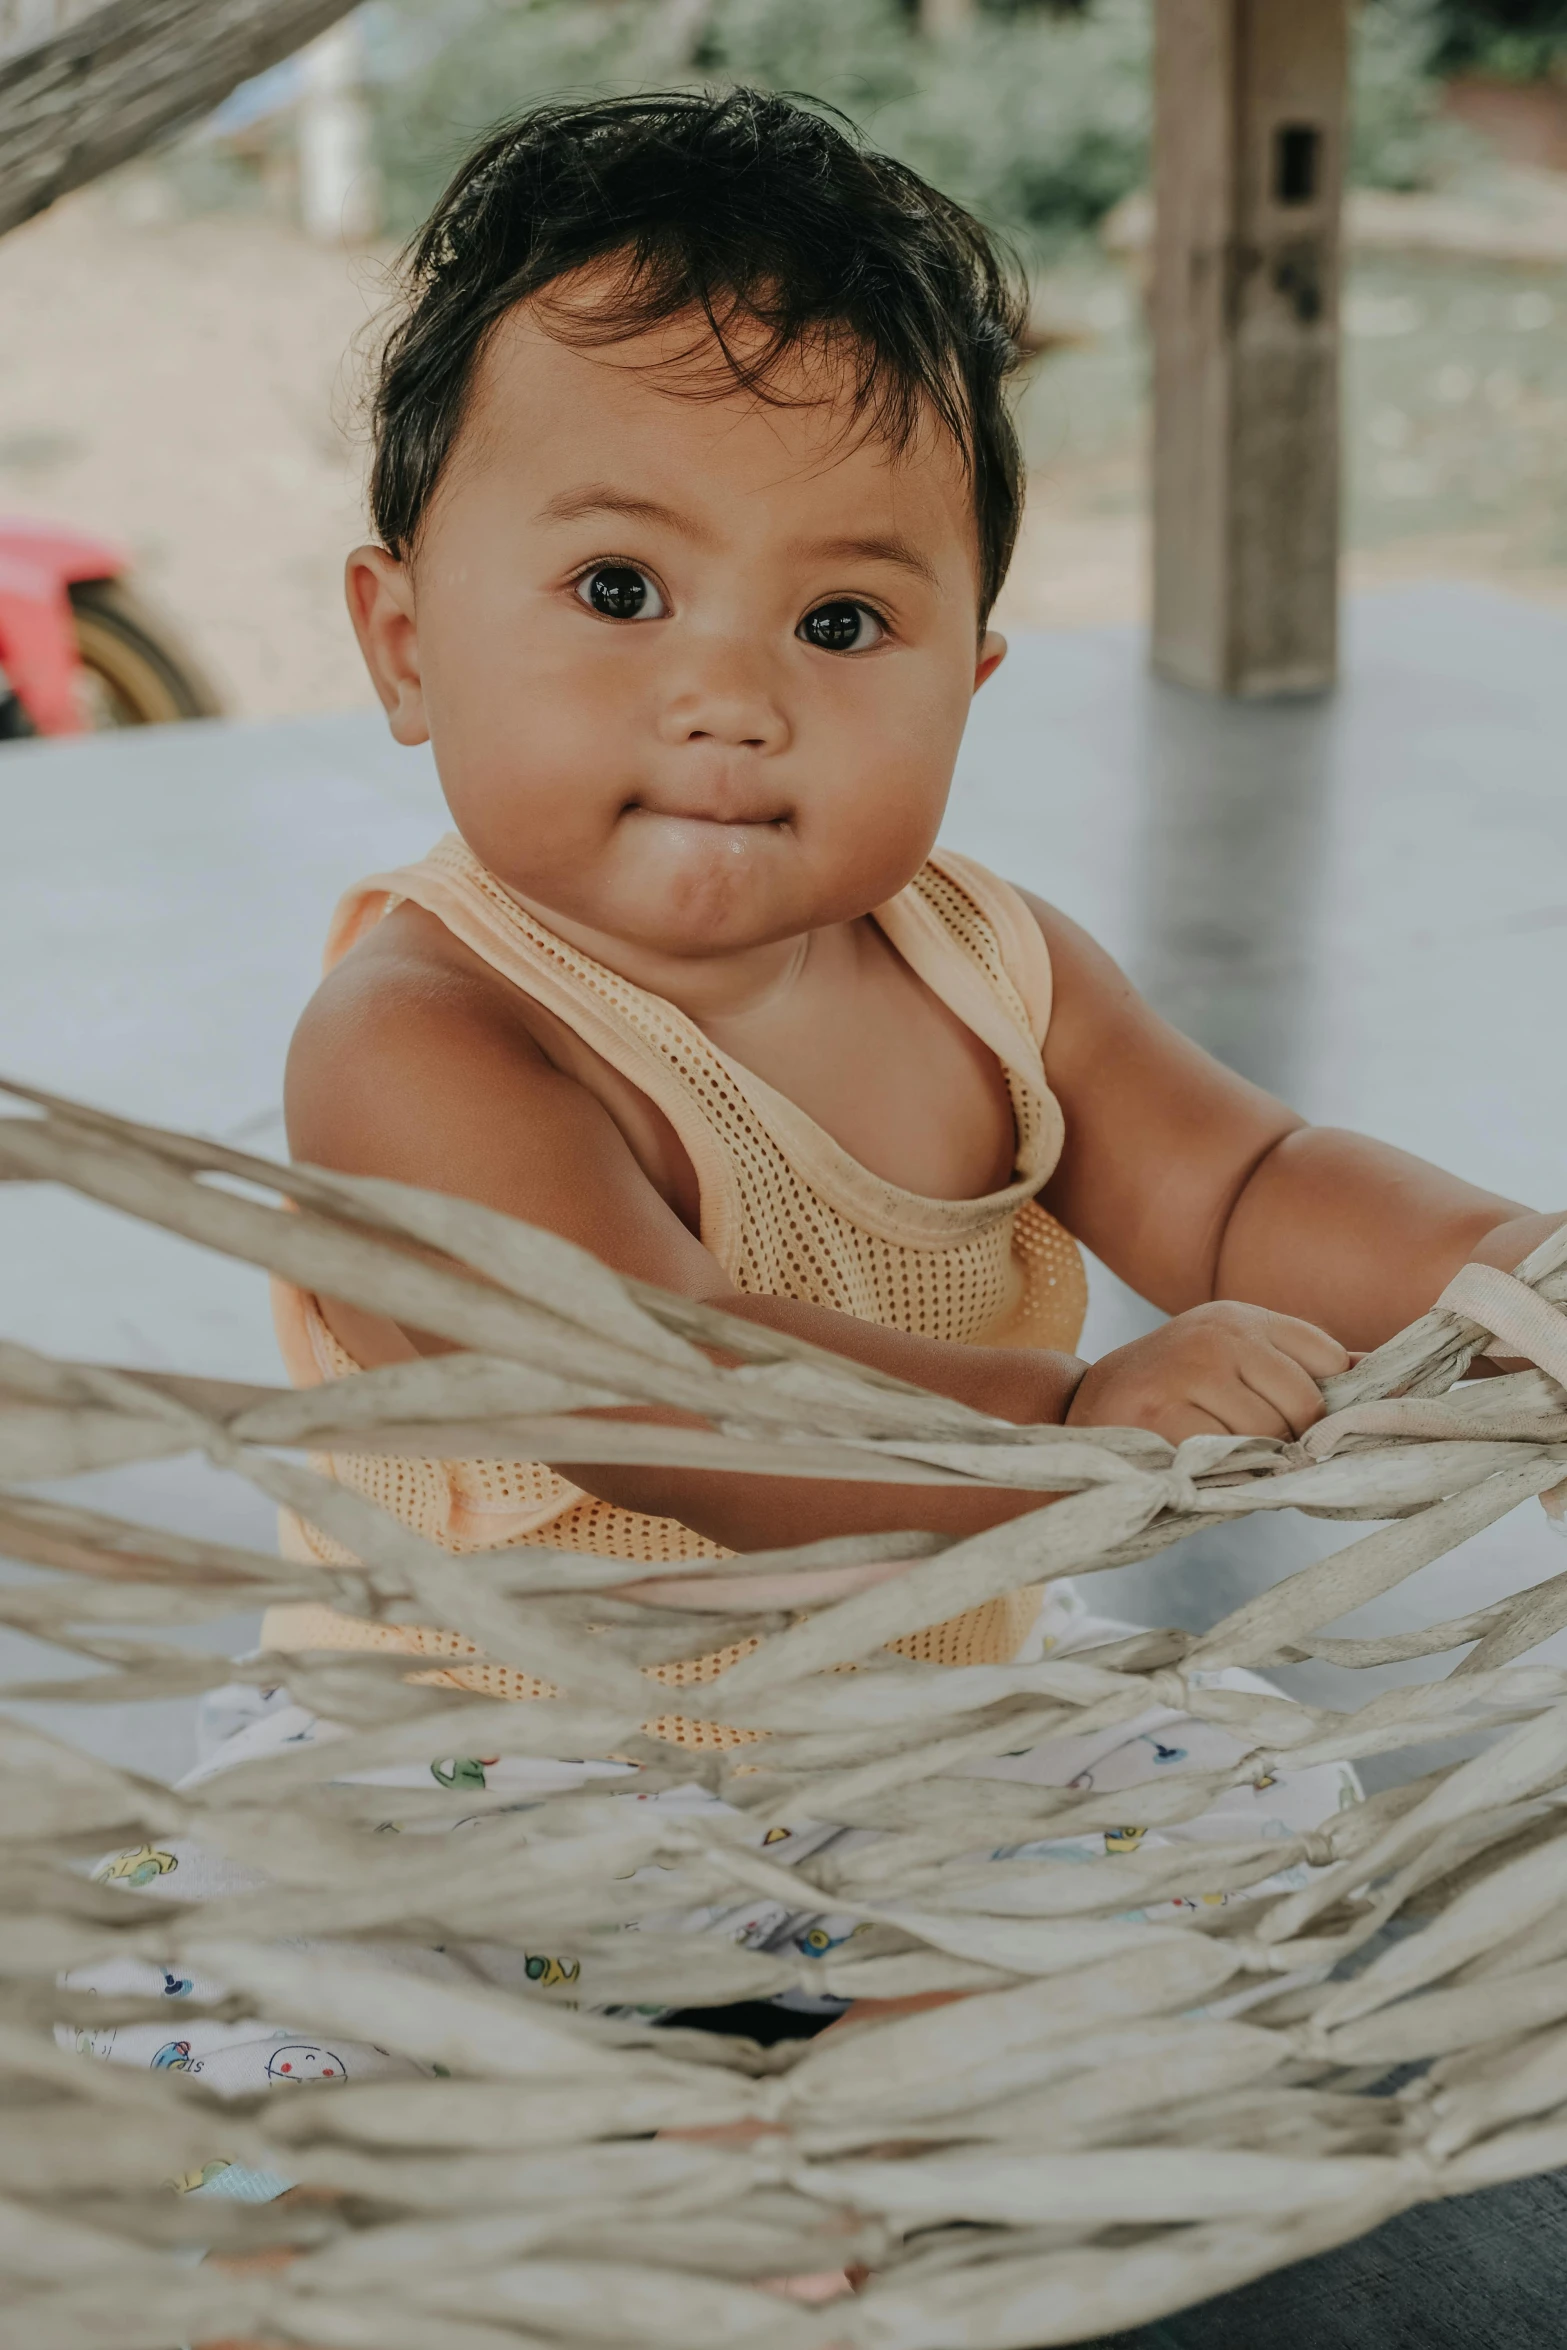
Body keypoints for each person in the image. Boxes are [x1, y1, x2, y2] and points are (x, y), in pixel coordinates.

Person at [82, 87, 1564, 2343]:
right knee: (302, 2033)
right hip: (494, 1722)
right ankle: (592, 2157)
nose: (729, 690)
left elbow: (1247, 1178)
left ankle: (862, 2110)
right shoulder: (424, 1027)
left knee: (1229, 1824)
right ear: (400, 642)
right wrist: (1072, 1409)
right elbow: (656, 1395)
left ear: (970, 674)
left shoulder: (993, 964)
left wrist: (1507, 1266)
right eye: (615, 589)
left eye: (846, 615)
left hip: (909, 1720)